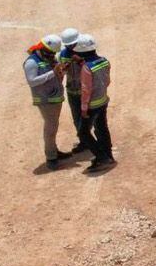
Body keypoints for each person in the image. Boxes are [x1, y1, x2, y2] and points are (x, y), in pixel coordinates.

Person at [23, 34, 69, 169]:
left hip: (55, 97)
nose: (52, 56)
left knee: (53, 127)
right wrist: (53, 73)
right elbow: (32, 81)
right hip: (45, 100)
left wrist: (62, 71)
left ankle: (54, 151)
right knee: (50, 128)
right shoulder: (31, 62)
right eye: (50, 53)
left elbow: (56, 76)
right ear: (42, 49)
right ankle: (51, 157)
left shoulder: (48, 58)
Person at [75, 35, 114, 170]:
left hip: (92, 105)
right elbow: (107, 81)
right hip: (103, 100)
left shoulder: (86, 68)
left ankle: (102, 158)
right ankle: (109, 155)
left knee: (83, 133)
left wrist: (84, 108)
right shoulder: (104, 61)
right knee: (102, 128)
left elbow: (86, 90)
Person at [57, 27, 96, 158]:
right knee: (77, 117)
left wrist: (80, 61)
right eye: (68, 45)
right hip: (72, 90)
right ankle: (84, 141)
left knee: (89, 116)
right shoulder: (62, 54)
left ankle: (90, 140)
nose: (70, 47)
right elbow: (61, 72)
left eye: (72, 44)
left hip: (85, 89)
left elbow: (92, 67)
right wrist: (63, 69)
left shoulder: (85, 51)